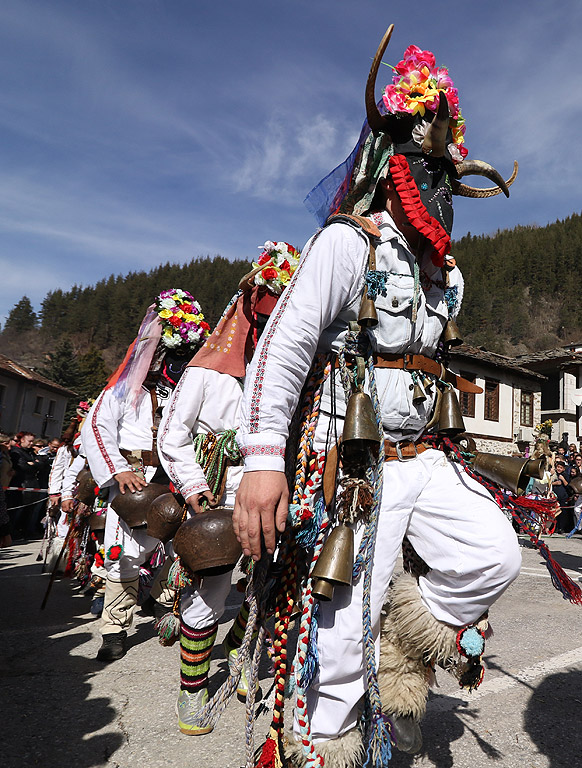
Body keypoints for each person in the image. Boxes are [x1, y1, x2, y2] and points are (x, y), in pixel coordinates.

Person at [234, 29, 521, 767]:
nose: (444, 185)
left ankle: (401, 646)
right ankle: (325, 744)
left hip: (426, 456)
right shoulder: (346, 243)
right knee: (335, 640)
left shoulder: (446, 278)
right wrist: (263, 460)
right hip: (358, 464)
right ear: (398, 165)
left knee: (493, 554)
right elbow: (283, 348)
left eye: (450, 174)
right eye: (434, 167)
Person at [158, 243, 300, 735]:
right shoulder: (203, 372)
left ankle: (241, 653)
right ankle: (191, 694)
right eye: (262, 313)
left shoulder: (286, 379)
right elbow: (171, 437)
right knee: (214, 591)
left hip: (268, 492)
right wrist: (196, 489)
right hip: (217, 494)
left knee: (271, 582)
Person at [82, 290, 211, 662]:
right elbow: (96, 428)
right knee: (126, 556)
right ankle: (114, 628)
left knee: (181, 547)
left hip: (176, 480)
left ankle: (161, 599)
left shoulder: (188, 392)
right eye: (168, 355)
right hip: (135, 481)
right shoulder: (124, 390)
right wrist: (119, 469)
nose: (172, 363)